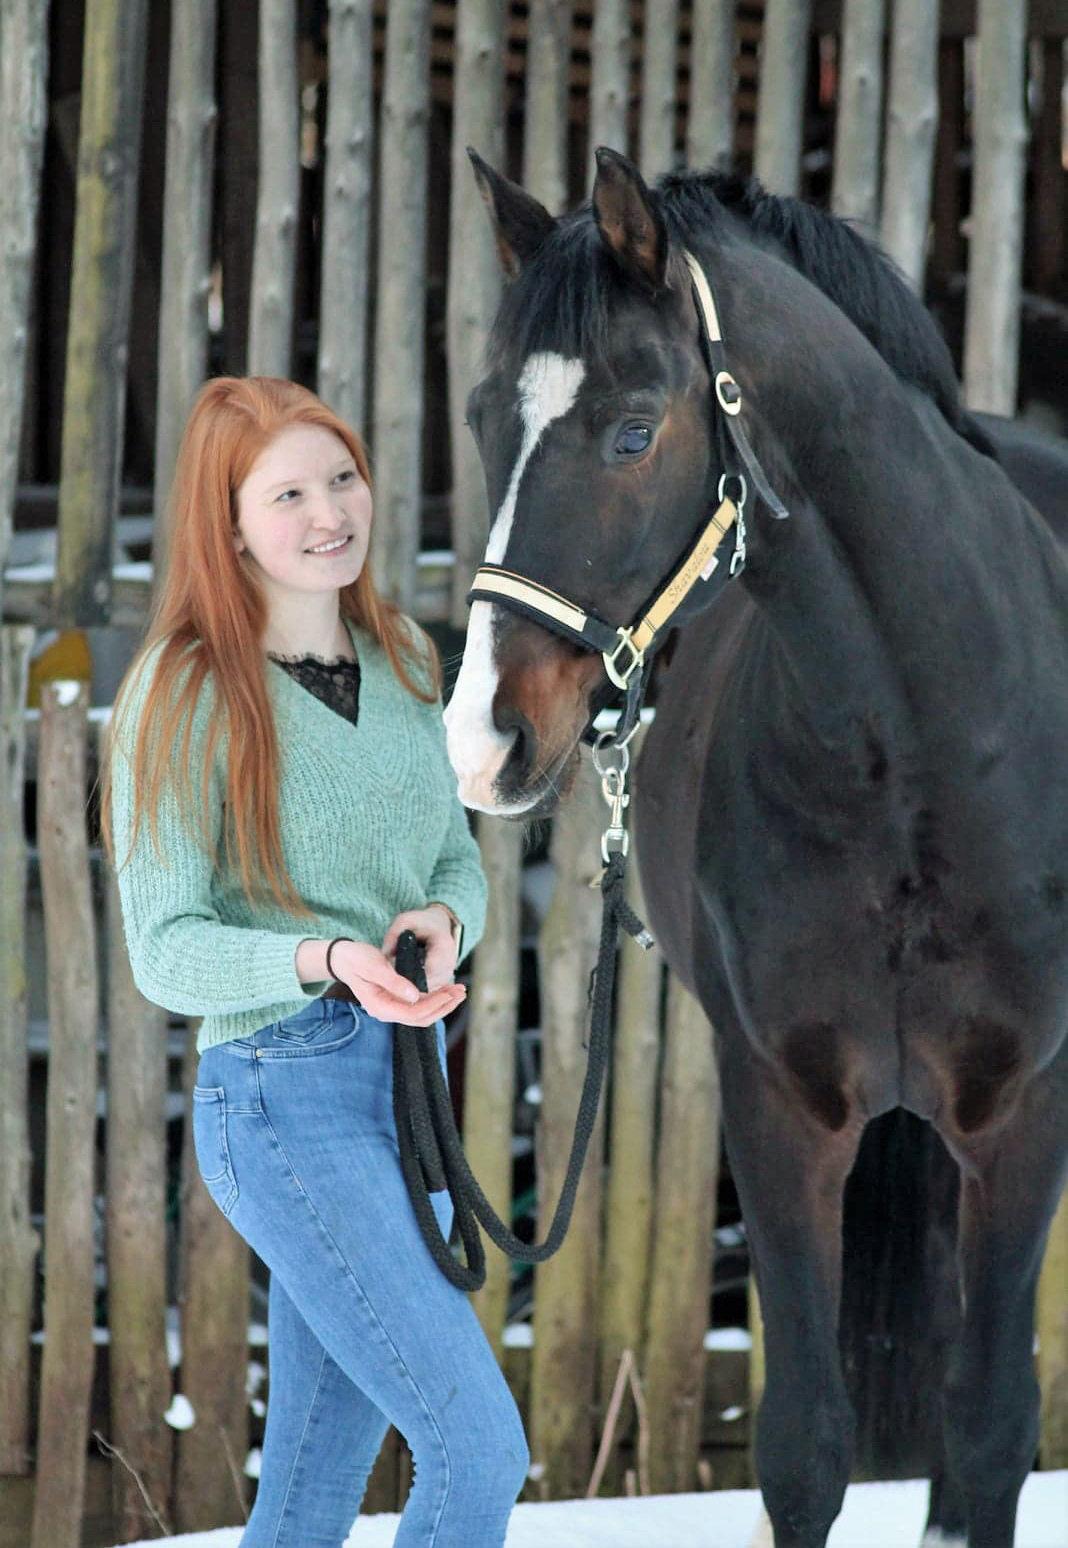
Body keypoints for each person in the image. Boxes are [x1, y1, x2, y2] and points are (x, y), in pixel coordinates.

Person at [101, 376, 529, 1547]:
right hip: (281, 1104)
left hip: (405, 1096)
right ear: (230, 524)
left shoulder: (406, 659)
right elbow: (164, 951)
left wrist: (444, 922)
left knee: (311, 1486)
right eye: (287, 494)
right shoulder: (182, 692)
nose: (330, 512)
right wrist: (327, 956)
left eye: (341, 478)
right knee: (478, 1450)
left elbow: (456, 863)